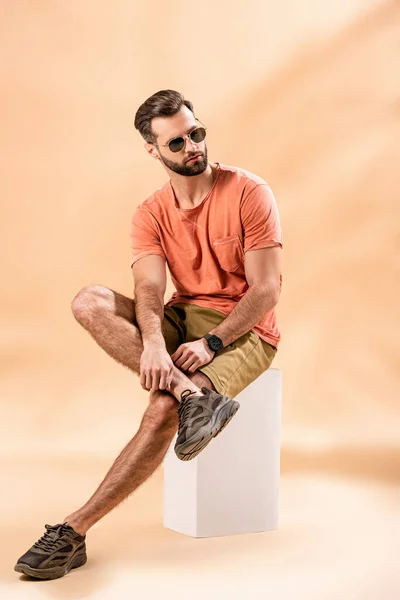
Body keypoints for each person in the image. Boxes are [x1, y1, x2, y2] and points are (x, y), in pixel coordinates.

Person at [14, 89, 283, 580]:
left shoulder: (248, 191)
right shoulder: (150, 212)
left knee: (162, 408)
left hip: (245, 331)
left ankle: (73, 532)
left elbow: (266, 290)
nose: (192, 148)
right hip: (181, 315)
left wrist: (212, 343)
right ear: (153, 150)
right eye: (177, 143)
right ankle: (192, 397)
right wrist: (156, 346)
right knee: (88, 300)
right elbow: (148, 288)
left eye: (196, 134)